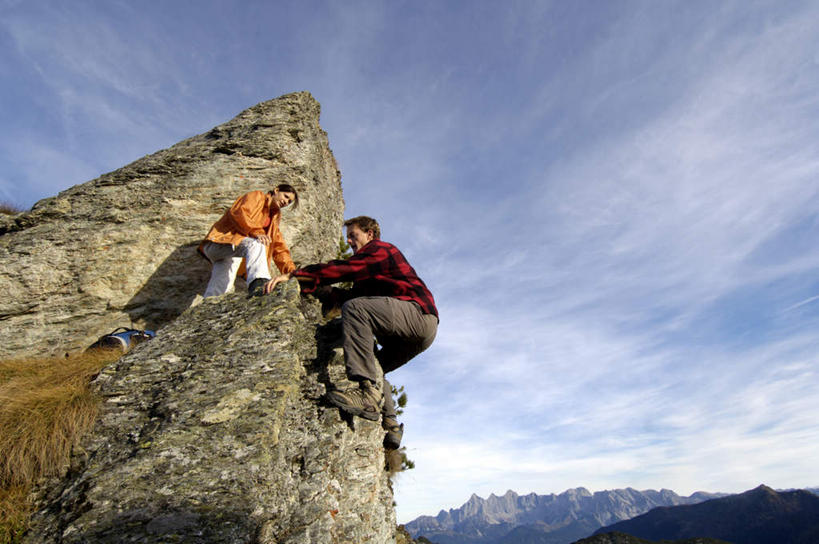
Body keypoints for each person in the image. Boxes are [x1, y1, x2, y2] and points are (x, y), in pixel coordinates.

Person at [265, 216, 438, 449]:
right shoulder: (370, 275)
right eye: (347, 237)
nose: (349, 241)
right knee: (375, 364)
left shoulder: (380, 249)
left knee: (356, 310)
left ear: (370, 234)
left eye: (353, 235)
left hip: (418, 315)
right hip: (412, 335)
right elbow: (348, 297)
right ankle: (391, 424)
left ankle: (367, 396)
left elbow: (346, 270)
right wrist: (318, 289)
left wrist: (297, 274)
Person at [199, 184, 298, 298]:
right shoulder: (257, 196)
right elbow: (239, 213)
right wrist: (256, 232)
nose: (286, 202)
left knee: (220, 288)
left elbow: (279, 249)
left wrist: (294, 273)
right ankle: (259, 283)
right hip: (219, 243)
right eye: (285, 196)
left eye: (289, 201)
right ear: (276, 190)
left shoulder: (274, 219)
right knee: (256, 243)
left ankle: (209, 308)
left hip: (232, 252)